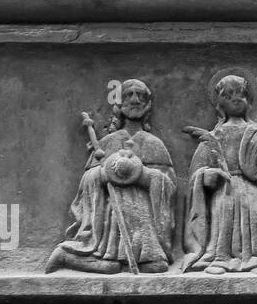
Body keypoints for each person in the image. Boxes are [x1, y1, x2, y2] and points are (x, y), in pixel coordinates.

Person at [46, 79, 176, 274]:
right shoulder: (109, 142)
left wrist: (144, 176)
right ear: (119, 105)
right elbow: (87, 181)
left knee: (157, 266)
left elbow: (169, 185)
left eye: (140, 96)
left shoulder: (154, 144)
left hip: (143, 218)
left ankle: (124, 257)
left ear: (148, 105)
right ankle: (67, 256)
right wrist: (104, 173)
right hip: (111, 215)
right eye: (128, 95)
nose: (134, 100)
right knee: (110, 266)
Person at [182, 74, 257, 274]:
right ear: (220, 103)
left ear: (248, 100)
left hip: (250, 188)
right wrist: (206, 176)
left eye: (241, 94)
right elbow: (198, 171)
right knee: (223, 221)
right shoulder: (215, 136)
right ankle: (221, 258)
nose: (236, 99)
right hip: (224, 189)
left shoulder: (256, 132)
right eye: (229, 95)